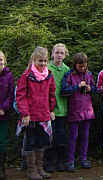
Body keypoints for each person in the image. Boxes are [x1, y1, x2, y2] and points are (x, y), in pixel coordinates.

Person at [16, 47, 56, 180]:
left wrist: (51, 110)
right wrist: (25, 113)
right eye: (40, 61)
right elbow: (21, 96)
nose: (43, 63)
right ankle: (31, 170)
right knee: (30, 142)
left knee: (42, 142)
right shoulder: (26, 76)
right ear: (34, 60)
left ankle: (40, 168)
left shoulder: (49, 75)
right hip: (30, 116)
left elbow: (51, 94)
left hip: (43, 115)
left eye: (45, 61)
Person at [61, 52, 97, 171]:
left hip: (87, 110)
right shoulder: (69, 75)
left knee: (85, 136)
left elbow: (95, 88)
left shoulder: (89, 74)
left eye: (84, 65)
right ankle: (70, 160)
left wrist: (90, 88)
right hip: (74, 110)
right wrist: (77, 86)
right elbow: (64, 90)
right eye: (80, 65)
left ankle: (83, 158)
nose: (82, 68)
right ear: (75, 65)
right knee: (73, 136)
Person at [45, 43, 70, 172]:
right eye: (57, 52)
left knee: (61, 137)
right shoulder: (47, 68)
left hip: (63, 110)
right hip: (49, 110)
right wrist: (49, 109)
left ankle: (61, 162)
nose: (59, 55)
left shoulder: (67, 70)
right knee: (49, 137)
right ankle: (49, 162)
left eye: (62, 53)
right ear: (52, 53)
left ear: (65, 55)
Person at [0, 51, 14, 180]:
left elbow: (10, 95)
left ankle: (2, 169)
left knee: (2, 142)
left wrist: (3, 108)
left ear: (4, 61)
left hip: (3, 115)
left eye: (0, 60)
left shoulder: (9, 76)